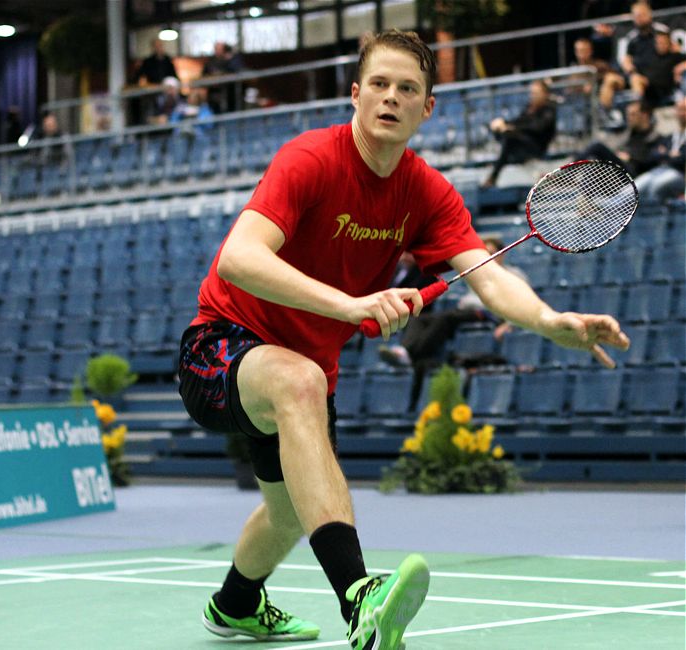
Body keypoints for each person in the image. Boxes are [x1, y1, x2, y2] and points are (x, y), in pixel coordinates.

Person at [178, 30, 630, 649]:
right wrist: (352, 304)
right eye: (381, 85)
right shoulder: (309, 158)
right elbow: (239, 258)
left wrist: (551, 322)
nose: (392, 98)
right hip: (222, 345)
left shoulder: (426, 192)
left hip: (304, 369)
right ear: (357, 95)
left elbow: (490, 277)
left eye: (408, 89)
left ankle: (235, 605)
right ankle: (359, 597)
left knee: (290, 514)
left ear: (427, 108)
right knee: (300, 380)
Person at [378, 236, 528, 371]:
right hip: (467, 312)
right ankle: (406, 351)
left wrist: (507, 324)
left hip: (491, 314)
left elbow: (523, 303)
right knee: (419, 318)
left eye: (491, 252)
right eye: (484, 253)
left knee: (445, 318)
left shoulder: (514, 275)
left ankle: (408, 354)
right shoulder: (479, 274)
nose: (487, 257)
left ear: (501, 254)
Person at [481, 79, 557, 187]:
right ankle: (503, 166)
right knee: (504, 133)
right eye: (532, 93)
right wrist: (503, 123)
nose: (533, 96)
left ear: (545, 94)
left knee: (509, 137)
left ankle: (494, 175)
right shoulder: (529, 108)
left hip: (536, 147)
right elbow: (519, 121)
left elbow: (537, 127)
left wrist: (513, 128)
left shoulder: (549, 109)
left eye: (536, 93)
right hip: (522, 144)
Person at [599, 2, 670, 115]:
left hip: (657, 76)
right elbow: (625, 60)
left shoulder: (661, 31)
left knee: (636, 80)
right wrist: (631, 71)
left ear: (650, 14)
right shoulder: (632, 38)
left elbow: (673, 52)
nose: (639, 18)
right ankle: (605, 116)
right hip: (635, 76)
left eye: (642, 15)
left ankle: (637, 113)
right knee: (610, 78)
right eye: (636, 16)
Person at [576, 99, 661, 177]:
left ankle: (567, 172)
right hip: (619, 167)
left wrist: (631, 158)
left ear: (645, 115)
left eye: (633, 114)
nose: (629, 118)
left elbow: (651, 161)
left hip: (633, 172)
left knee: (597, 147)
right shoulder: (629, 134)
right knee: (595, 166)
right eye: (628, 114)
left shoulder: (655, 137)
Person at [634, 95, 686, 201]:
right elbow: (652, 156)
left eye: (683, 110)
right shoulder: (670, 137)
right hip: (659, 170)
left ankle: (653, 216)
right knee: (635, 186)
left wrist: (664, 154)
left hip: (678, 174)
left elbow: (681, 160)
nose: (680, 113)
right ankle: (608, 205)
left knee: (656, 186)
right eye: (678, 110)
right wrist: (670, 154)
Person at [202, 41, 244, 113]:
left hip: (230, 91)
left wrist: (230, 58)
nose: (218, 51)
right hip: (214, 92)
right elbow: (204, 74)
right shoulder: (211, 61)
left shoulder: (231, 59)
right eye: (216, 49)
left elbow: (237, 70)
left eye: (220, 49)